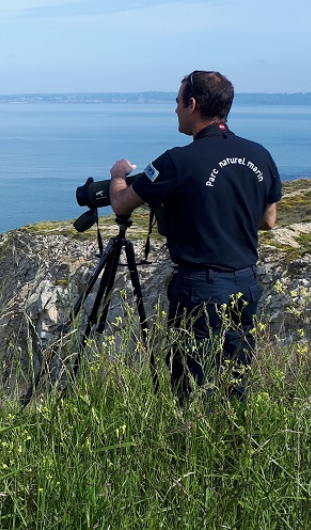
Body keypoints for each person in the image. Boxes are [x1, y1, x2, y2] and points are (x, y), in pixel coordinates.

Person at [109, 71, 282, 402]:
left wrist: (119, 175)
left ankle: (186, 448)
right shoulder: (260, 155)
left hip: (200, 287)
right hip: (246, 283)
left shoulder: (176, 161)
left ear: (192, 104)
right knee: (235, 381)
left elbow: (120, 202)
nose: (175, 109)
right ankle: (230, 446)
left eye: (177, 102)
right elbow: (269, 221)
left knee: (190, 384)